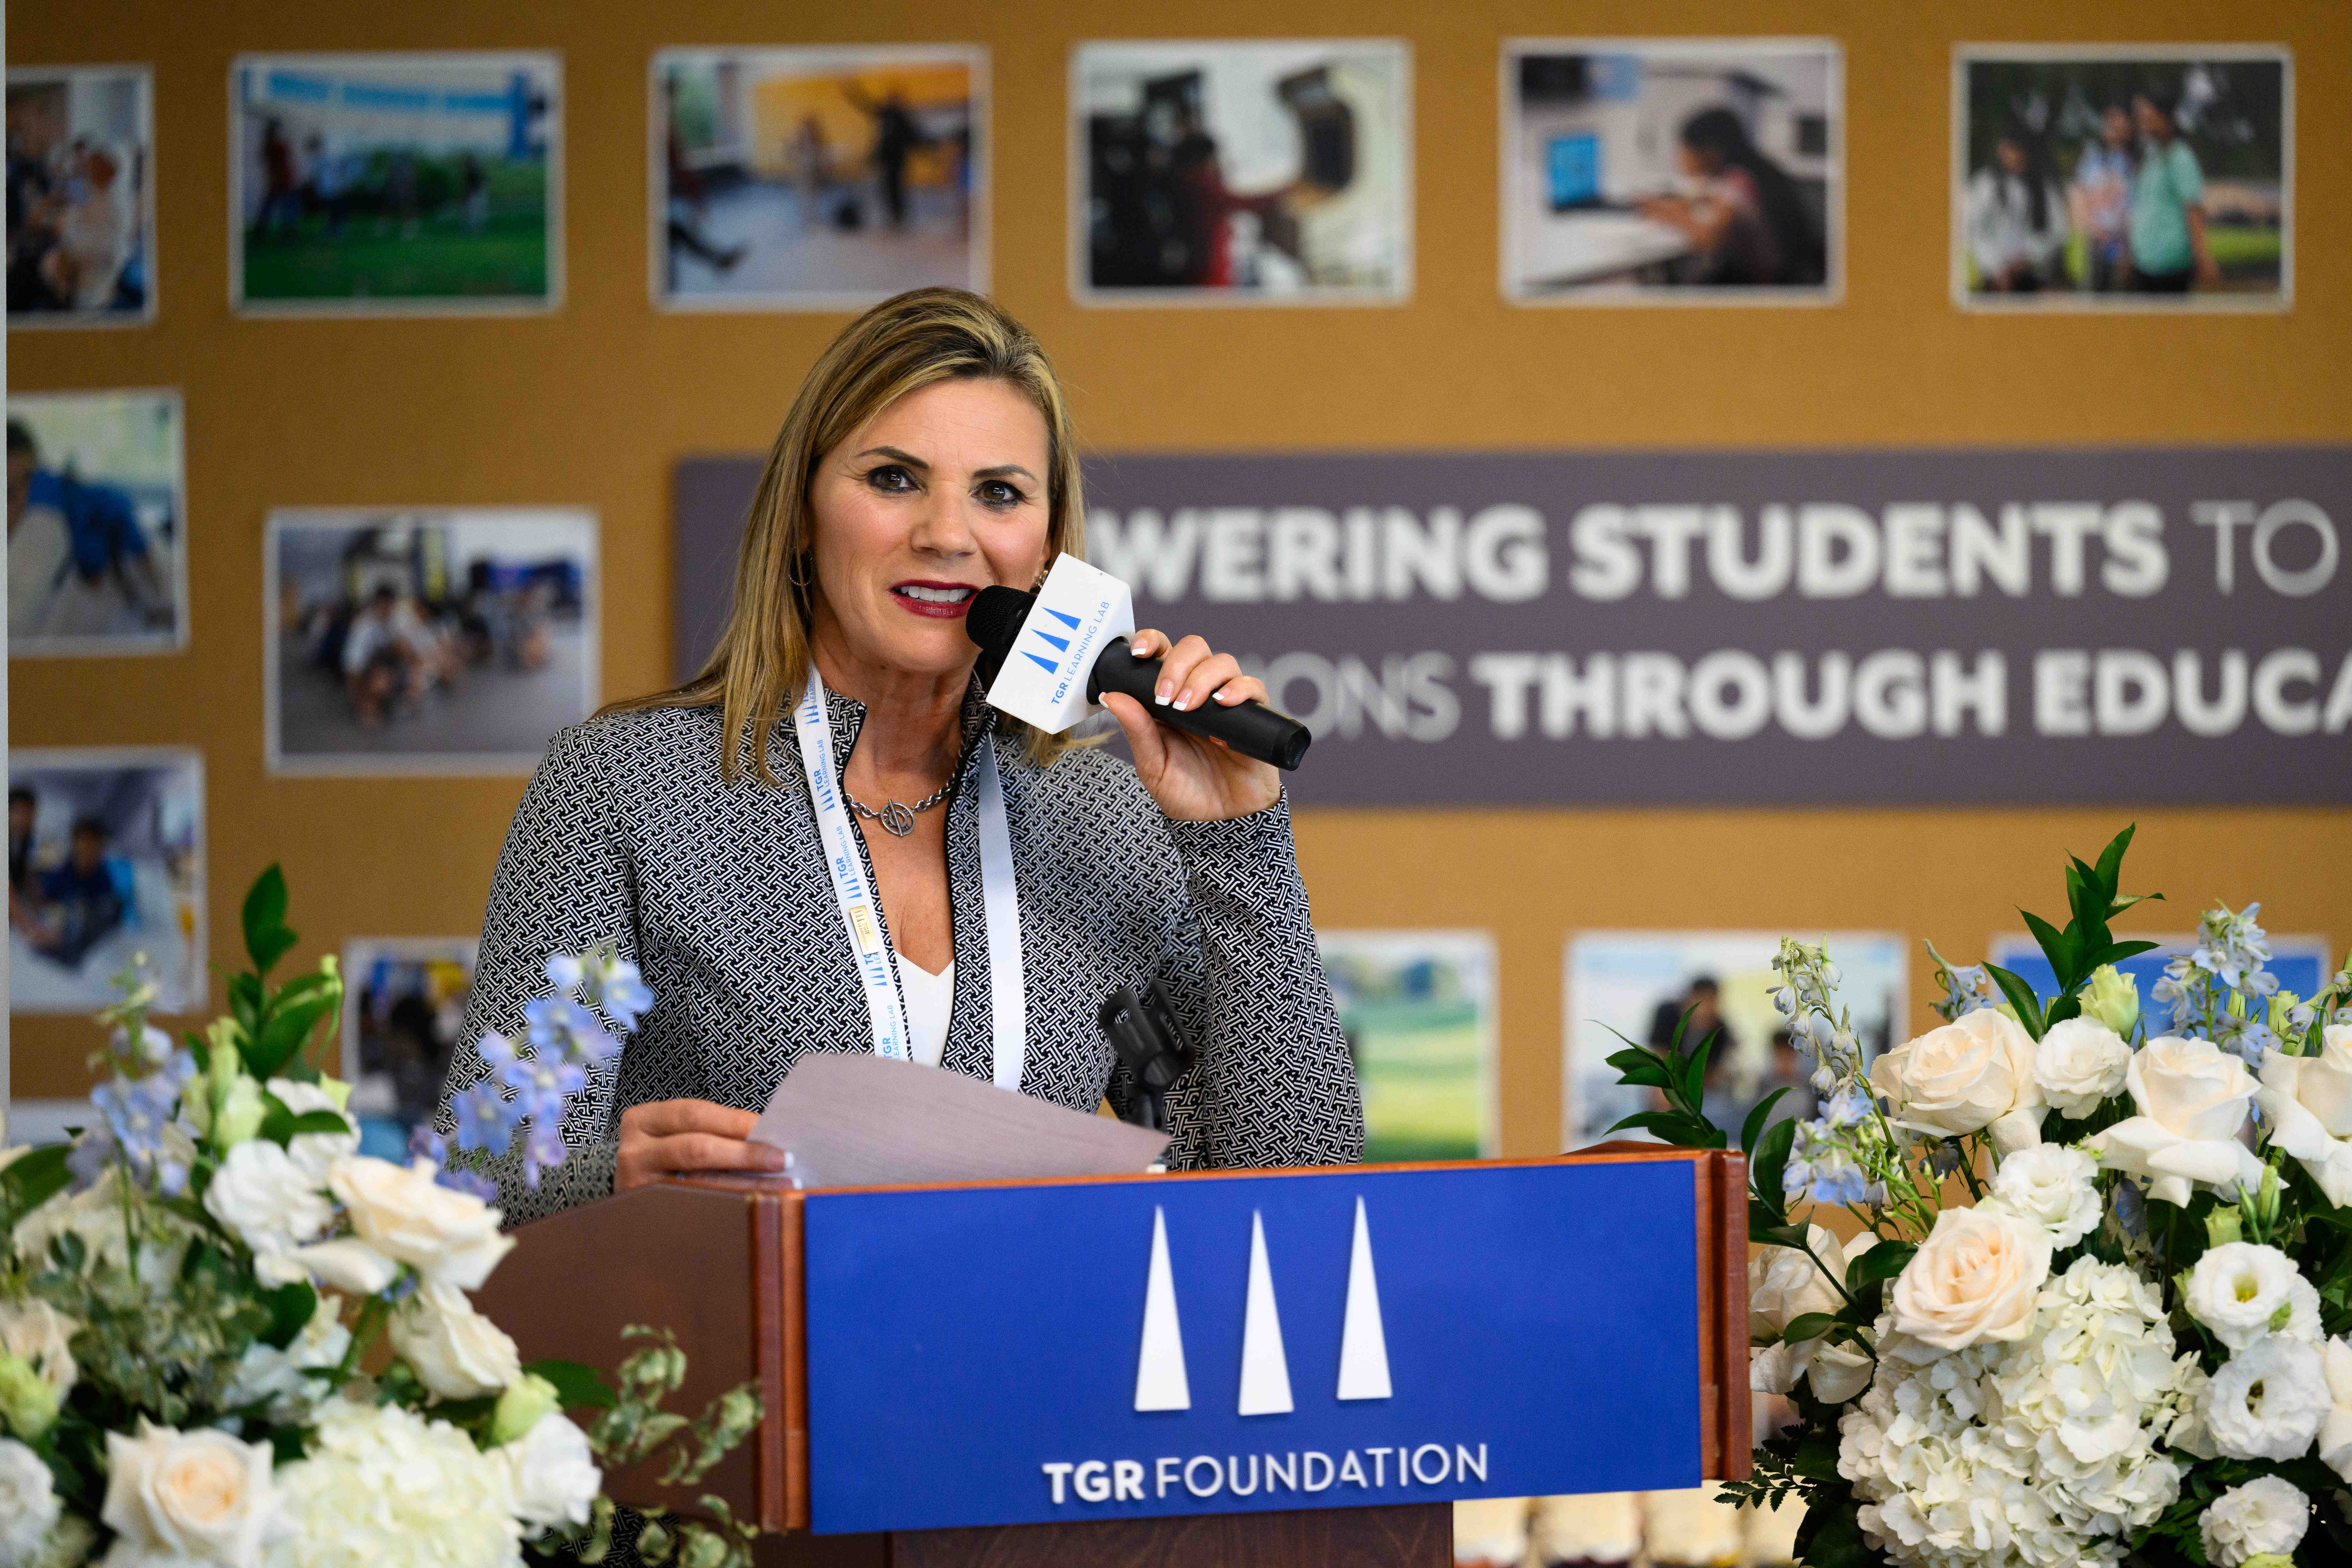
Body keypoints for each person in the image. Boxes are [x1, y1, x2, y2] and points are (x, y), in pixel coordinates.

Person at [436, 288, 1365, 1223]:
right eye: (893, 479)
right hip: (733, 1359)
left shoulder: (1105, 814)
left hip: (1030, 1365)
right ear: (803, 513)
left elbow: (1297, 1190)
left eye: (998, 492)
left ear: (1044, 551)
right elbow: (478, 1184)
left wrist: (1242, 845)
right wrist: (614, 1184)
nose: (947, 534)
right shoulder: (626, 786)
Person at [8, 418, 172, 641]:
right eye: (8, 491)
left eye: (27, 482)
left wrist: (143, 552)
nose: (20, 500)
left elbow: (172, 605)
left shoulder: (74, 521)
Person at [1637, 107, 1825, 288]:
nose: (1680, 158)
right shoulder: (1749, 173)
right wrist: (1674, 205)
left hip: (1763, 285)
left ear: (1711, 152)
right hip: (1777, 276)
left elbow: (1709, 240)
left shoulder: (1738, 182)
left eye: (1685, 149)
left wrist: (1671, 215)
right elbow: (1706, 198)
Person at [2127, 84, 2219, 294]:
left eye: (2146, 115)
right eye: (2139, 116)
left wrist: (2203, 258)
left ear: (2164, 117)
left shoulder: (2181, 157)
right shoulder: (2150, 155)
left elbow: (2193, 210)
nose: (2141, 121)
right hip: (2145, 264)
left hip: (2170, 268)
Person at [1966, 124, 2067, 293]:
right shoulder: (1987, 183)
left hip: (2032, 274)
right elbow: (1975, 230)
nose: (2006, 155)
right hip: (1995, 277)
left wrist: (2029, 257)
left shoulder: (2042, 187)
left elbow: (2059, 231)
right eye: (2003, 149)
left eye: (2011, 149)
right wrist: (1996, 269)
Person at [33, 815, 131, 970]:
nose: (89, 849)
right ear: (74, 844)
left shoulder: (103, 876)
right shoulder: (63, 872)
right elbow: (43, 898)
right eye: (85, 842)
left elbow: (111, 910)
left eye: (95, 844)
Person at [2069, 102, 2136, 292]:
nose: (2117, 132)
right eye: (2112, 126)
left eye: (2122, 127)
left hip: (2125, 238)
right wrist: (2094, 227)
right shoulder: (2093, 156)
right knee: (2093, 289)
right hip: (2097, 237)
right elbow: (2082, 194)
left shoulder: (2134, 159)